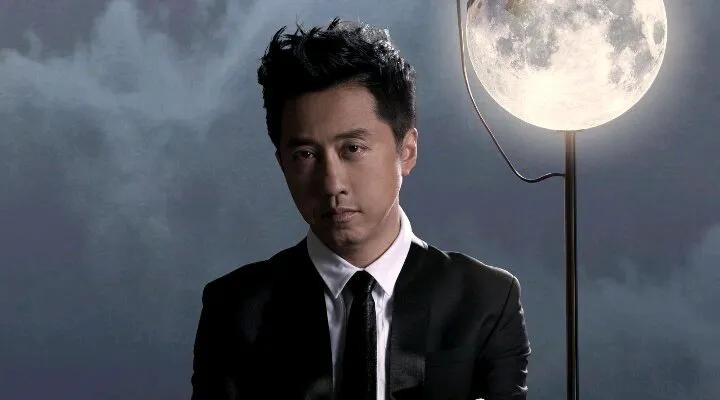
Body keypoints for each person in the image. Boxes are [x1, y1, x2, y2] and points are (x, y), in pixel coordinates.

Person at [191, 17, 531, 400]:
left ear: (407, 151)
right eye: (305, 154)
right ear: (282, 163)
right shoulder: (235, 308)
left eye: (352, 149)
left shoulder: (485, 300)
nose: (331, 183)